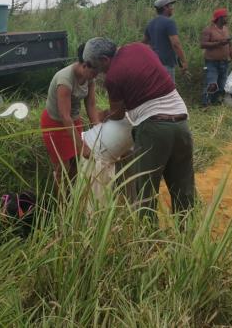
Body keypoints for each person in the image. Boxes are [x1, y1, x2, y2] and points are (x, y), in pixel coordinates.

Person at [83, 37, 195, 219]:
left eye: (96, 66)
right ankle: (188, 233)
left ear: (105, 59)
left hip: (154, 128)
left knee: (145, 189)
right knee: (183, 186)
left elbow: (118, 114)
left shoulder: (113, 76)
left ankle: (147, 243)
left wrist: (103, 115)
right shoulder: (139, 48)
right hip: (181, 123)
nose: (98, 72)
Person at [40, 43, 99, 187]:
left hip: (74, 121)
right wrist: (82, 147)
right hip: (55, 125)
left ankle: (73, 199)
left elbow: (90, 105)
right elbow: (64, 116)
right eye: (94, 72)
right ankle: (60, 206)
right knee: (62, 169)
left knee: (76, 166)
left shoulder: (90, 77)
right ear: (85, 65)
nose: (96, 76)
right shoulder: (65, 80)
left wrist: (99, 130)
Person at [200, 8, 232, 106]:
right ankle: (206, 104)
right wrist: (219, 43)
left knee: (221, 86)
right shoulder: (208, 30)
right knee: (211, 84)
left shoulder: (226, 29)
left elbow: (230, 46)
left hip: (225, 62)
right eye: (225, 16)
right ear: (220, 18)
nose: (227, 18)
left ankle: (215, 102)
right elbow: (203, 44)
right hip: (212, 62)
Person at [143, 0, 187, 82]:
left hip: (153, 64)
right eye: (170, 6)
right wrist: (183, 61)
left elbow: (144, 42)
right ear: (165, 8)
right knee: (168, 91)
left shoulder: (150, 23)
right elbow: (176, 44)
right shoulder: (169, 22)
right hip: (166, 65)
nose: (172, 8)